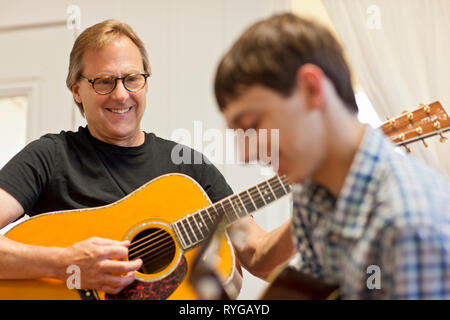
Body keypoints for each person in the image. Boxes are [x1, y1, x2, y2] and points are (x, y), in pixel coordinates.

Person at [0, 20, 295, 297]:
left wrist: (312, 214)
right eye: (104, 81)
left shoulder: (190, 166)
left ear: (146, 83)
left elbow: (258, 257)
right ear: (77, 90)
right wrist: (65, 263)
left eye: (132, 79)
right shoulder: (50, 156)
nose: (120, 94)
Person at [213, 13, 450, 299]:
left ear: (312, 89)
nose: (246, 154)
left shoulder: (412, 228)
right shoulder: (310, 193)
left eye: (252, 125)